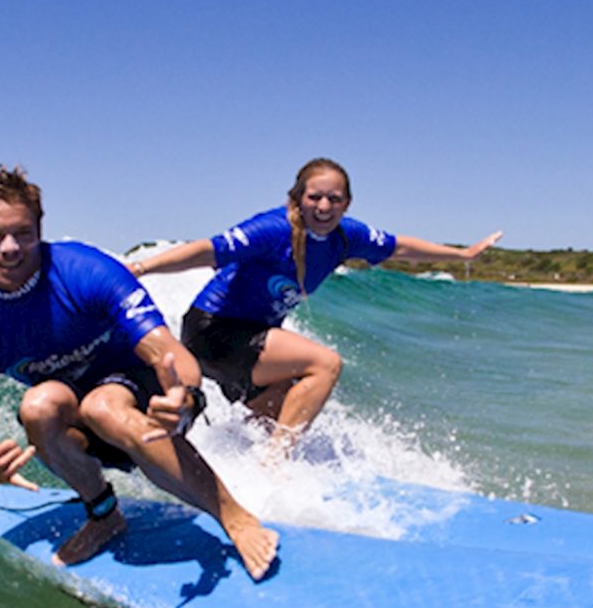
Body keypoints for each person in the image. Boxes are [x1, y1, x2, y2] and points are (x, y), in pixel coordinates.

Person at [0, 165, 279, 580]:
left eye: (22, 233)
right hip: (84, 428)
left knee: (104, 404)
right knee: (38, 406)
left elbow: (169, 353)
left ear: (39, 230)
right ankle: (103, 516)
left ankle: (234, 517)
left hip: (149, 399)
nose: (9, 248)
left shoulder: (85, 271)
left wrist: (186, 398)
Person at [130, 157, 502, 452]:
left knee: (280, 418)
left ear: (347, 202)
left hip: (251, 339)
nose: (324, 206)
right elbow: (208, 250)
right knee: (325, 363)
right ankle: (275, 467)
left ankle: (236, 471)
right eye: (314, 197)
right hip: (215, 331)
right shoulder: (272, 229)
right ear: (297, 199)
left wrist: (463, 254)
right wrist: (142, 267)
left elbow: (400, 246)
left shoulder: (345, 236)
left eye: (334, 198)